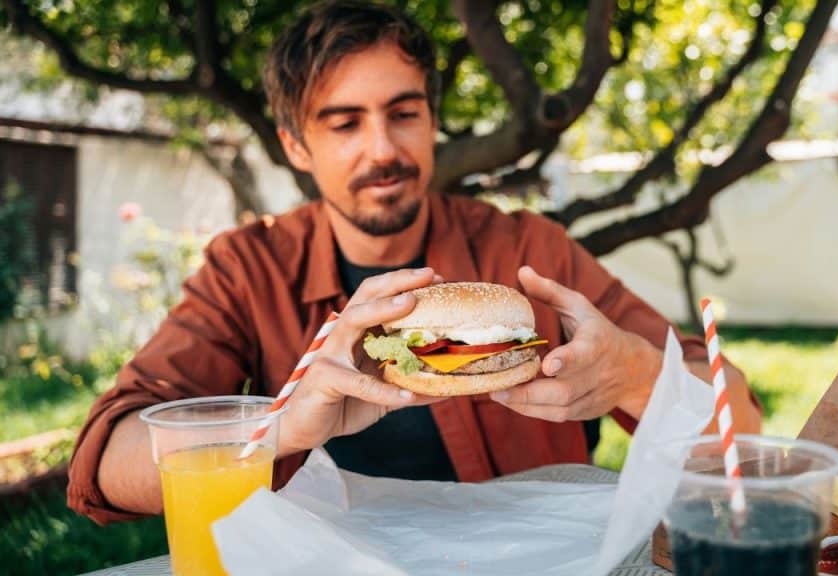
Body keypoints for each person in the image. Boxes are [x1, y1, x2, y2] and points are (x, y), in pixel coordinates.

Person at [68, 1, 761, 524]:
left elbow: (745, 430)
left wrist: (637, 375)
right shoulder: (248, 268)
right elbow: (103, 463)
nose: (383, 151)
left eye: (403, 114)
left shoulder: (527, 250)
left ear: (432, 120)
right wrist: (278, 429)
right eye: (344, 124)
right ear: (295, 147)